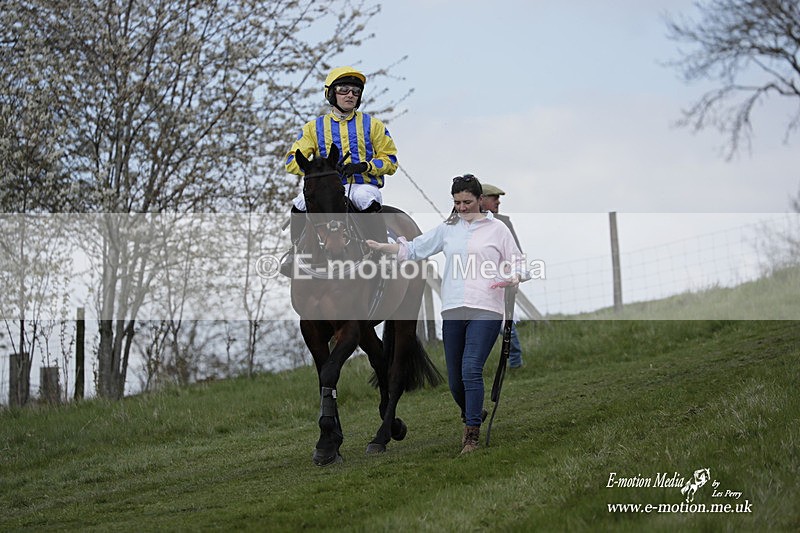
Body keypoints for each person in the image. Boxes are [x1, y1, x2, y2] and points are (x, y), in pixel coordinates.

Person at [367, 174, 530, 455]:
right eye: (457, 202)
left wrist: (515, 276)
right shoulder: (448, 230)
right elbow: (416, 249)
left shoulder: (497, 230)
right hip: (453, 309)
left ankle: (471, 436)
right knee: (455, 380)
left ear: (480, 200)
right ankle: (473, 412)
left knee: (470, 369)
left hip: (487, 307)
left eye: (467, 201)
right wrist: (386, 247)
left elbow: (520, 262)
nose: (462, 207)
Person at [281, 66, 398, 276]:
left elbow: (390, 160)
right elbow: (291, 160)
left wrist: (365, 166)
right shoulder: (313, 128)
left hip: (361, 184)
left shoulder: (373, 125)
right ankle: (294, 252)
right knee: (299, 203)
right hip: (327, 188)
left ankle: (381, 253)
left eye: (355, 91)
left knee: (363, 198)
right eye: (344, 90)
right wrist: (318, 169)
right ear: (331, 93)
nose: (350, 95)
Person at [480, 183, 524, 368]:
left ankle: (515, 362)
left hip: (499, 282)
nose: (498, 201)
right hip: (475, 283)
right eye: (494, 197)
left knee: (505, 325)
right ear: (482, 200)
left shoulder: (503, 222)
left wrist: (510, 277)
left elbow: (516, 253)